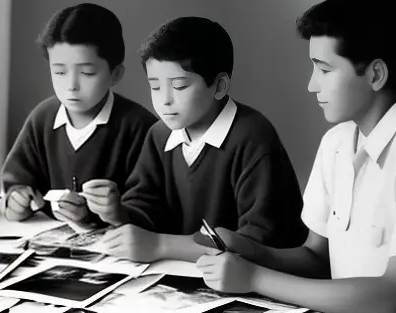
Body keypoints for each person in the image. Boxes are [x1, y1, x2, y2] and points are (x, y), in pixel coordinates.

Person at [198, 0, 396, 313]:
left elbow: (395, 302)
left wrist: (255, 278)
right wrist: (250, 251)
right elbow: (318, 259)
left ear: (376, 75)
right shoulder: (336, 143)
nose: (311, 85)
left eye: (325, 70)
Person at [84, 16, 306, 262]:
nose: (164, 100)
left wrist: (162, 245)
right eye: (155, 86)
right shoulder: (159, 134)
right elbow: (147, 207)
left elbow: (259, 240)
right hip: (181, 271)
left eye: (179, 86)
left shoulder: (253, 137)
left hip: (251, 280)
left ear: (220, 86)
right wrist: (118, 212)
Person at [1, 3, 156, 224]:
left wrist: (116, 212)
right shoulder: (42, 118)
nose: (71, 85)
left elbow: (153, 205)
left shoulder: (141, 128)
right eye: (60, 71)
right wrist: (16, 200)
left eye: (87, 72)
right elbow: (17, 177)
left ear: (115, 74)